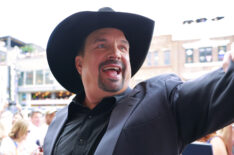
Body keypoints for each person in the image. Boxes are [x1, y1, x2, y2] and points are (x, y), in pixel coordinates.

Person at [43, 7, 234, 155]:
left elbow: (223, 91)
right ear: (79, 64)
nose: (116, 53)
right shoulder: (58, 122)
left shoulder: (163, 102)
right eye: (102, 45)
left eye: (123, 48)